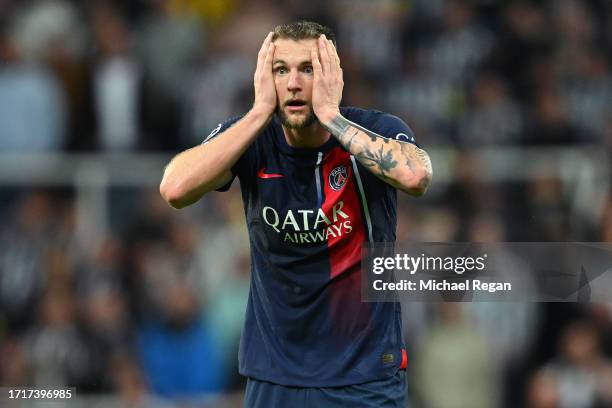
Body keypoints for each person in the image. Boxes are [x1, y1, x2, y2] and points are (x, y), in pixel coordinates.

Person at [160, 21, 432, 408]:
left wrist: (331, 116)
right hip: (275, 375)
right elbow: (174, 188)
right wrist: (257, 113)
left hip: (365, 376)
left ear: (333, 74)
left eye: (308, 68)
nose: (293, 83)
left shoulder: (375, 129)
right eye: (281, 69)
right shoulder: (251, 141)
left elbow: (416, 176)